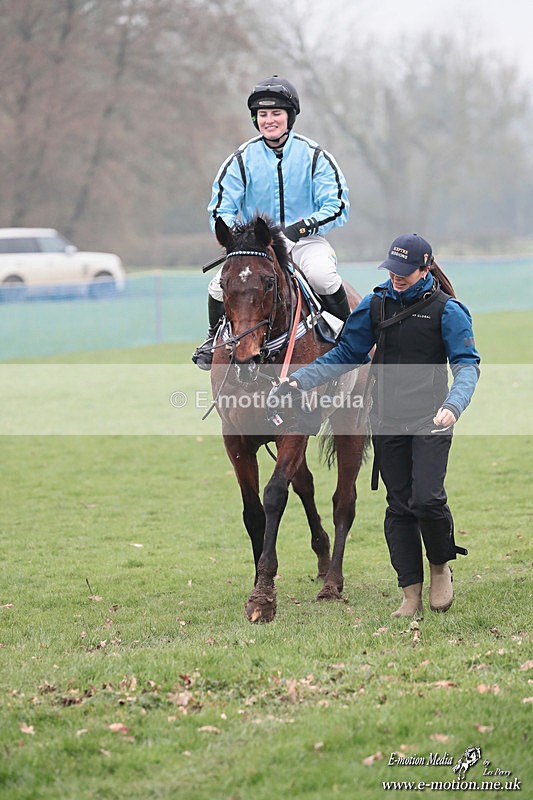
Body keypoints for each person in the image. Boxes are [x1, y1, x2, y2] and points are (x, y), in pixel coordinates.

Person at [274, 233, 480, 617]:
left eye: (405, 272)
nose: (396, 277)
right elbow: (346, 353)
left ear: (425, 268)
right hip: (386, 419)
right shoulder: (374, 304)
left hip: (432, 418)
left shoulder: (448, 311)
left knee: (427, 499)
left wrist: (455, 404)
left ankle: (440, 568)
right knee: (399, 506)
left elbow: (467, 365)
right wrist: (301, 379)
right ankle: (410, 594)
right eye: (392, 270)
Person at [192, 75, 351, 369]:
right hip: (256, 247)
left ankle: (352, 338)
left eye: (276, 113)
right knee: (216, 287)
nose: (269, 120)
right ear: (256, 119)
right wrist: (238, 237)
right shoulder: (240, 160)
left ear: (289, 116)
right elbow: (220, 209)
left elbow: (337, 204)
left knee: (322, 276)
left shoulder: (315, 156)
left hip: (304, 241)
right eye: (263, 114)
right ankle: (213, 339)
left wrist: (302, 227)